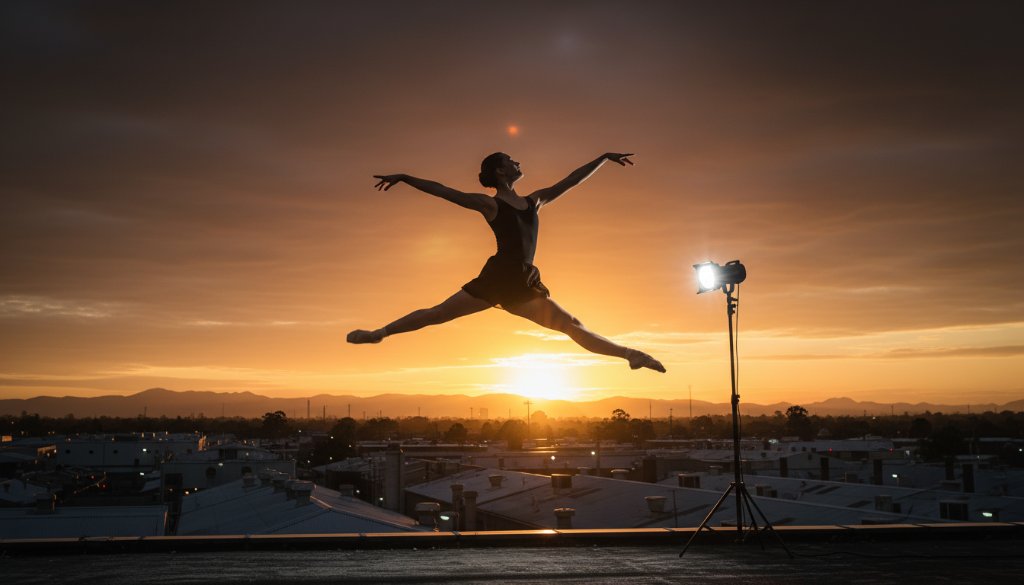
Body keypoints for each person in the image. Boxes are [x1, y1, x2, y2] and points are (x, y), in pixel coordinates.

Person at [347, 152, 666, 373]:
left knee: (572, 326)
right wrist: (404, 177)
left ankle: (630, 355)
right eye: (511, 160)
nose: (518, 162)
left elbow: (570, 181)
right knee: (438, 314)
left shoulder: (534, 201)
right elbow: (444, 191)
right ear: (501, 171)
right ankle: (380, 333)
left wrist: (602, 158)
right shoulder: (491, 204)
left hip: (522, 283)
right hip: (498, 278)